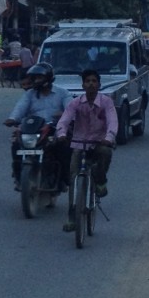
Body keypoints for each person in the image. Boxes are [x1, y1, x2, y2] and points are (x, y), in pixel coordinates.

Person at [56, 69, 118, 231]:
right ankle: (72, 217)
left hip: (100, 142)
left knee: (105, 153)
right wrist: (62, 134)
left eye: (94, 81)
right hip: (79, 144)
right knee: (73, 178)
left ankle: (100, 181)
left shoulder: (106, 102)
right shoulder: (75, 103)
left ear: (99, 84)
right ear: (83, 85)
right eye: (87, 81)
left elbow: (112, 122)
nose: (91, 84)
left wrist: (109, 138)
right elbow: (64, 120)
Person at [3, 62, 69, 189]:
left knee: (62, 147)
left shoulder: (63, 93)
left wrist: (64, 114)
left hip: (54, 129)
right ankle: (18, 177)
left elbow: (70, 109)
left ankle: (63, 179)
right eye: (33, 78)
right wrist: (12, 119)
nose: (35, 81)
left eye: (38, 77)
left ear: (48, 78)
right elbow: (20, 108)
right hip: (33, 128)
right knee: (16, 144)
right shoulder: (30, 94)